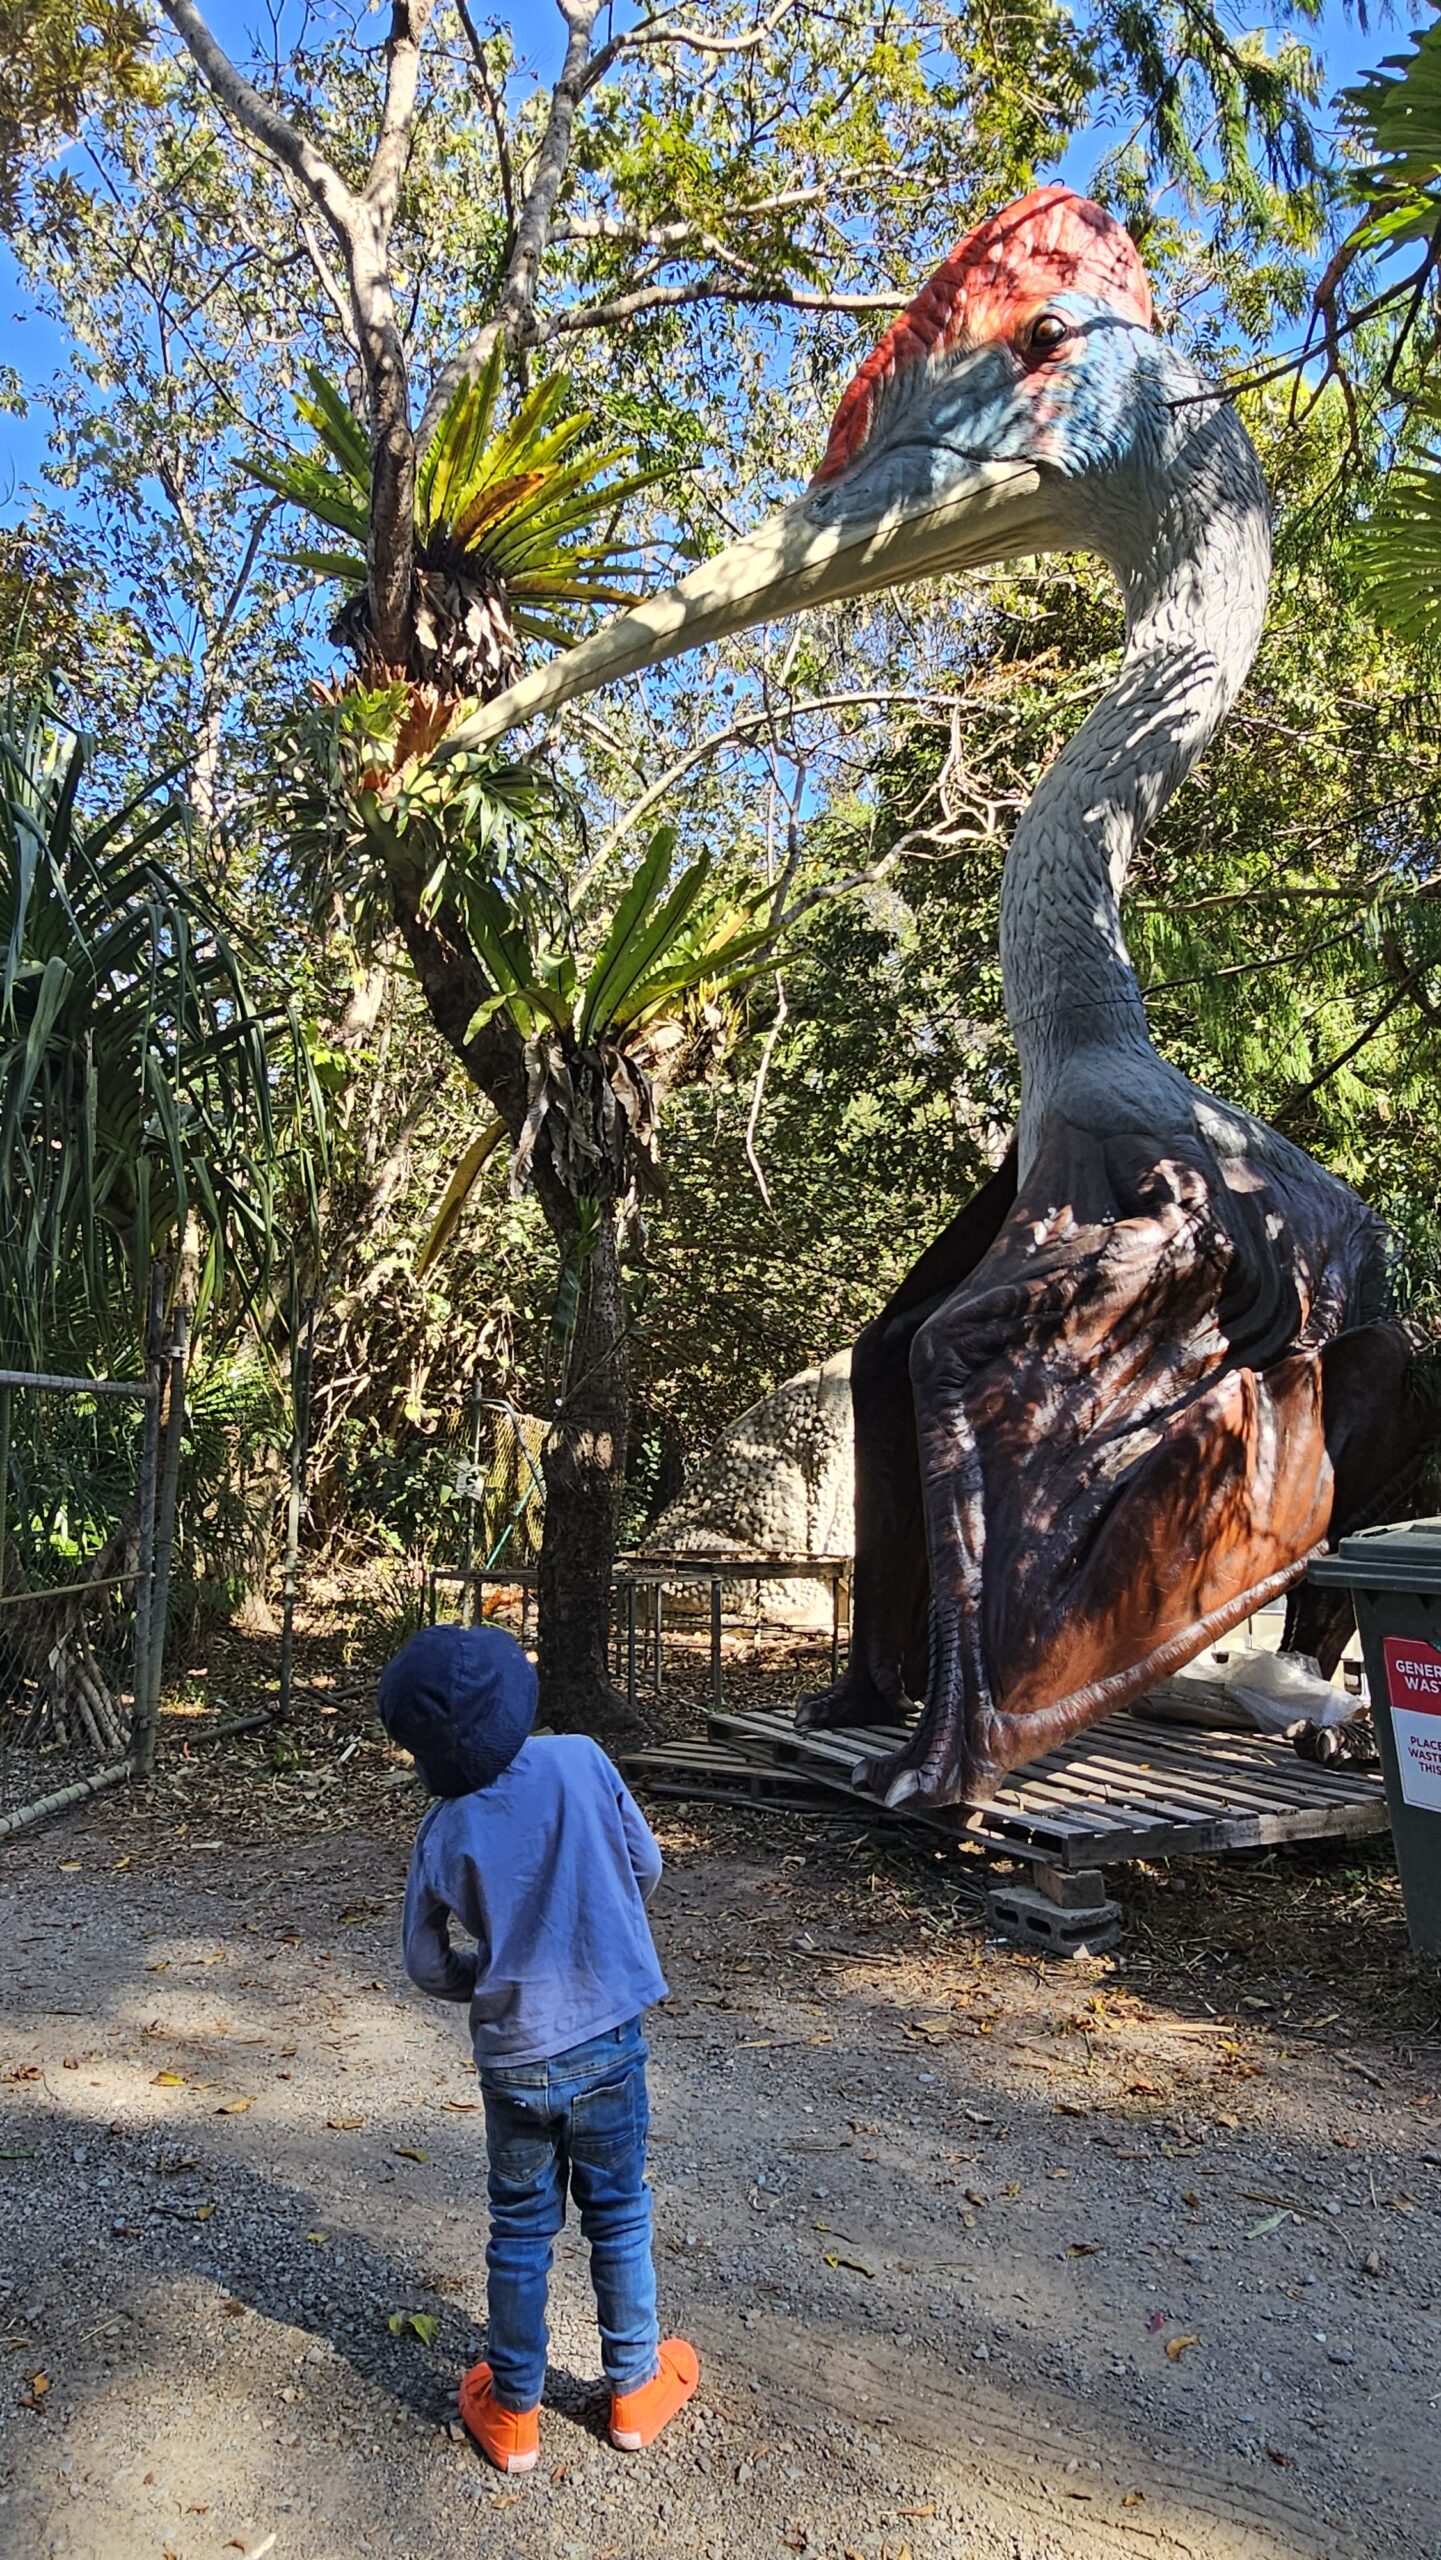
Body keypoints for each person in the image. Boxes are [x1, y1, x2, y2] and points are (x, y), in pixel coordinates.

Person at [378, 1620, 698, 2474]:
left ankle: (514, 2409)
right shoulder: (583, 1759)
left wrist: (486, 1974)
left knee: (519, 2229)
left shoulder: (441, 1829)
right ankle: (633, 2388)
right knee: (619, 2212)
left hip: (514, 2059)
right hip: (609, 2038)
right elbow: (648, 1868)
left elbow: (422, 1960)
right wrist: (595, 1924)